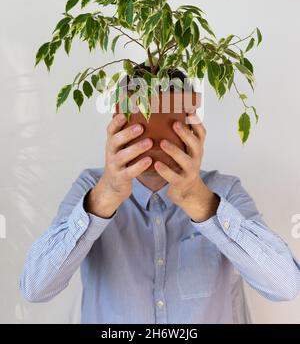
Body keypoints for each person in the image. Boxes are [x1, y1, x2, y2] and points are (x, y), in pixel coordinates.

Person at [20, 73, 300, 324]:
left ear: (191, 126)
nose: (152, 135)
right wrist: (103, 199)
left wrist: (201, 202)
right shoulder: (91, 188)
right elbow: (36, 287)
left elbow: (285, 285)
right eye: (140, 120)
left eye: (167, 121)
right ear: (119, 125)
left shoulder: (222, 190)